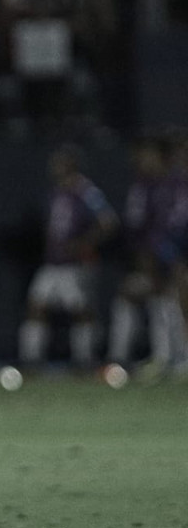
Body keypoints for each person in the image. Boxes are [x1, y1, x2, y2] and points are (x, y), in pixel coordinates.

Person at [19, 145, 118, 369]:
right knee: (36, 306)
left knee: (81, 311)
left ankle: (84, 360)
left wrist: (84, 243)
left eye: (60, 162)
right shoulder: (56, 192)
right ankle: (31, 360)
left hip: (76, 264)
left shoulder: (85, 191)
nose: (54, 167)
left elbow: (108, 222)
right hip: (53, 263)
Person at [108, 138, 185, 372]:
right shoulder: (154, 185)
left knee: (175, 297)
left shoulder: (175, 184)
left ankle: (177, 358)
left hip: (173, 256)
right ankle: (158, 358)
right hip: (161, 256)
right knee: (153, 296)